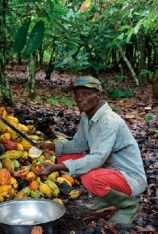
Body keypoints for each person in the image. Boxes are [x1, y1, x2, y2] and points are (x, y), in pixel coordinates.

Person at [38, 76, 147, 225]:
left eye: (86, 94)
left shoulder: (109, 121)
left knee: (90, 177)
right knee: (65, 156)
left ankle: (128, 205)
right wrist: (52, 146)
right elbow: (78, 144)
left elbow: (97, 159)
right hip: (109, 171)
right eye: (77, 94)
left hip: (129, 178)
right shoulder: (86, 116)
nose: (80, 99)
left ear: (98, 95)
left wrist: (57, 167)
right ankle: (106, 198)